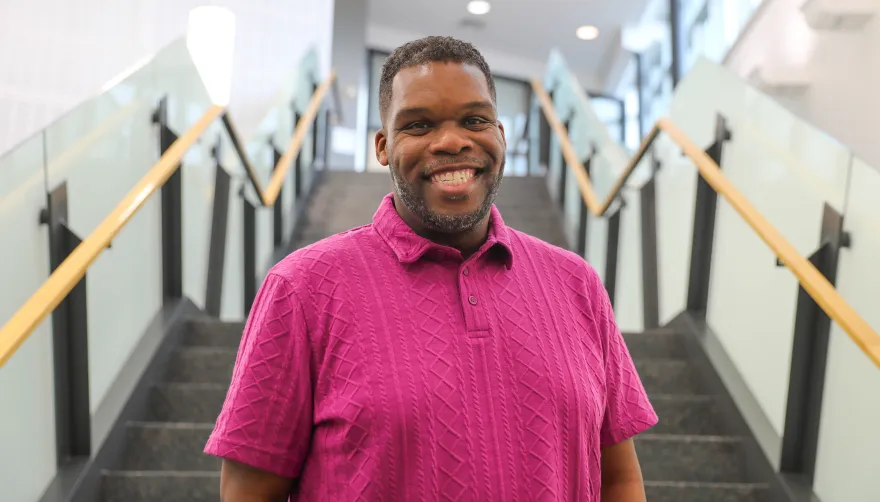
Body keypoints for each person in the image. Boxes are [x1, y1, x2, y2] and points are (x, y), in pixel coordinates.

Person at [204, 36, 658, 501]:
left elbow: (618, 479)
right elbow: (248, 491)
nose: (452, 141)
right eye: (419, 125)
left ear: (501, 135)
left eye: (474, 120)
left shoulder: (576, 283)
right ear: (383, 146)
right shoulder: (301, 288)